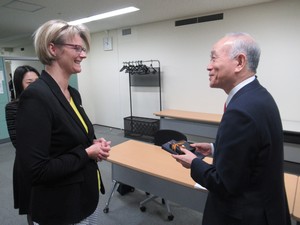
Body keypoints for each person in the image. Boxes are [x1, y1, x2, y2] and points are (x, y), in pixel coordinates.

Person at [172, 32, 291, 225]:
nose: (208, 66)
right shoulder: (259, 97)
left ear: (239, 62)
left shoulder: (241, 111)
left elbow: (224, 184)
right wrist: (215, 148)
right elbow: (253, 151)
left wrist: (193, 162)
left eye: (213, 58)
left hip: (245, 215)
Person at [15, 19, 111, 225]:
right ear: (52, 49)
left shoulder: (73, 94)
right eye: (77, 48)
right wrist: (86, 153)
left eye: (83, 49)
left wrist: (93, 144)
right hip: (60, 208)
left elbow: (72, 139)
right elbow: (37, 170)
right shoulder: (36, 97)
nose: (83, 54)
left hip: (85, 198)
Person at [5, 65, 40, 225]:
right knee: (33, 206)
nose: (35, 86)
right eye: (29, 82)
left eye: (37, 81)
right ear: (20, 85)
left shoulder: (47, 103)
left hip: (51, 162)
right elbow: (18, 142)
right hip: (29, 164)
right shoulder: (13, 107)